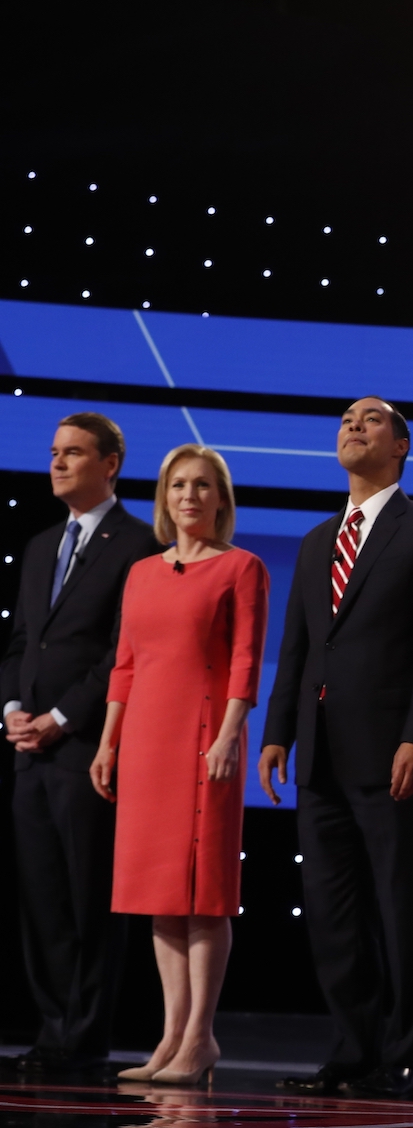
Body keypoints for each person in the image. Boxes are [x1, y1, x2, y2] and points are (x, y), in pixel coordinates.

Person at [259, 398, 413, 1100]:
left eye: (372, 419)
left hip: (393, 754)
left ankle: (406, 1057)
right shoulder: (318, 539)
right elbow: (297, 647)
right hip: (319, 755)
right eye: (347, 418)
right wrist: (277, 731)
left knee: (403, 905)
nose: (354, 424)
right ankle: (352, 1053)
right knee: (333, 912)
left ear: (401, 446)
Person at [88, 445, 267, 1085]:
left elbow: (246, 659)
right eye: (178, 485)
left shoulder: (241, 568)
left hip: (204, 742)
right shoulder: (142, 572)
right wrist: (108, 743)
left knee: (204, 896)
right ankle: (169, 1038)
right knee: (160, 897)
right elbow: (125, 665)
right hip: (145, 743)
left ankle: (199, 1038)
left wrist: (229, 736)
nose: (189, 496)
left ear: (221, 498)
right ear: (164, 497)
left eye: (202, 485)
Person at [1, 414, 158, 1077]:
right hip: (29, 751)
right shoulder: (42, 545)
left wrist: (63, 717)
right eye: (54, 452)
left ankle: (85, 1037)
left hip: (90, 748)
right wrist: (14, 709)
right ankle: (52, 1032)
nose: (58, 463)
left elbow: (126, 650)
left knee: (89, 898)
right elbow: (20, 643)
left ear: (110, 463)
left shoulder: (141, 543)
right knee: (42, 899)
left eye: (73, 452)